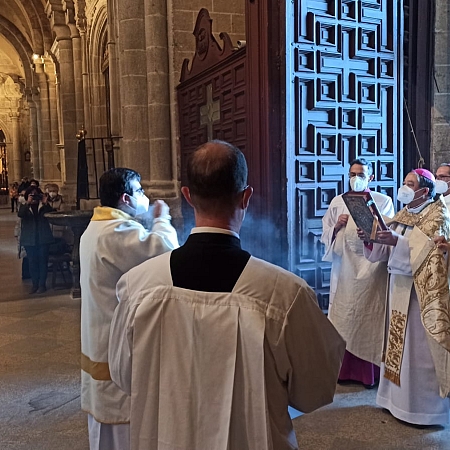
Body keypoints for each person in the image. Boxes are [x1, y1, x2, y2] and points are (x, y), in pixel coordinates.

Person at [108, 140, 345, 450]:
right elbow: (315, 390)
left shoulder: (138, 286)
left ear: (188, 197)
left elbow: (124, 376)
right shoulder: (285, 294)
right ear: (245, 197)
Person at [79, 167, 179, 450]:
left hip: (99, 340)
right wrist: (163, 218)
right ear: (126, 198)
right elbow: (167, 250)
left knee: (106, 430)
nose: (145, 197)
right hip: (113, 345)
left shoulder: (96, 227)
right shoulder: (116, 231)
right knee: (122, 432)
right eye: (140, 191)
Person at [359, 168, 450, 426]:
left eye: (410, 183)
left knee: (417, 353)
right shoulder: (403, 213)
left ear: (425, 190)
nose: (405, 187)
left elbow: (429, 253)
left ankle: (422, 410)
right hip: (397, 287)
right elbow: (384, 251)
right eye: (404, 182)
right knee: (398, 349)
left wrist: (396, 241)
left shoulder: (438, 214)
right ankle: (394, 401)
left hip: (420, 295)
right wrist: (371, 238)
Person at [321, 158, 394, 388]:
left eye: (361, 174)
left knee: (367, 318)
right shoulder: (337, 202)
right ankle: (342, 371)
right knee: (344, 317)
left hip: (371, 271)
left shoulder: (383, 201)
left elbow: (388, 231)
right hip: (344, 271)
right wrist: (336, 227)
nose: (356, 178)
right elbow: (325, 234)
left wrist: (370, 231)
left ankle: (368, 372)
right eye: (352, 173)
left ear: (371, 177)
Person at [18, 186, 55, 293]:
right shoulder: (24, 206)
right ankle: (35, 284)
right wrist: (28, 203)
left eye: (36, 194)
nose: (34, 197)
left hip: (43, 238)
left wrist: (45, 203)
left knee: (43, 262)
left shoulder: (42, 206)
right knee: (32, 262)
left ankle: (42, 284)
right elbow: (21, 214)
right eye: (31, 195)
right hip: (30, 239)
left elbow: (51, 214)